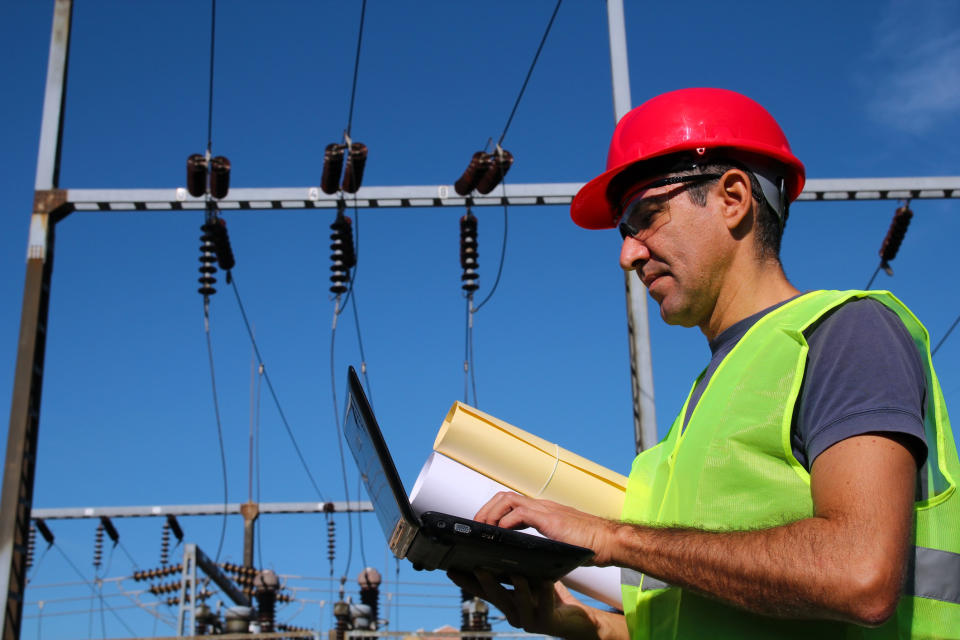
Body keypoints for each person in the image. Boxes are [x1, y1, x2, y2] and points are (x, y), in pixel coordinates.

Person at [448, 88, 960, 639]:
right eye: (625, 231)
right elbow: (689, 619)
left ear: (733, 197)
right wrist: (578, 621)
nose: (628, 253)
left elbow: (860, 573)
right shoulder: (695, 417)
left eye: (646, 216)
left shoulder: (844, 334)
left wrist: (612, 537)